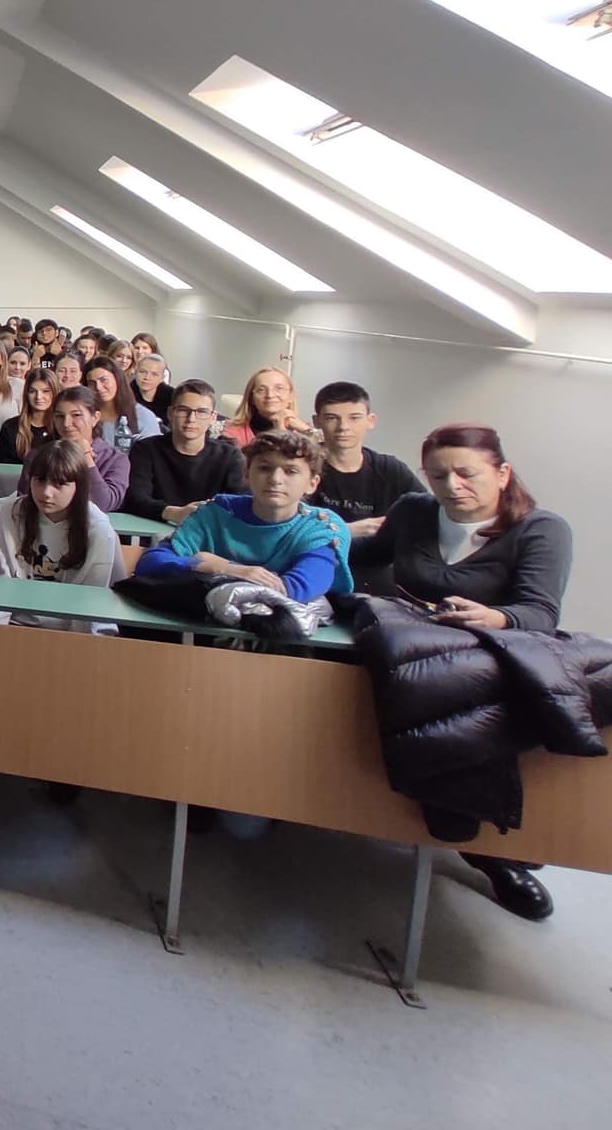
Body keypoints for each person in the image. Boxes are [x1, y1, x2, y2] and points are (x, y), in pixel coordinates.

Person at [356, 423, 574, 922]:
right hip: (417, 646)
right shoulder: (414, 510)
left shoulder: (542, 529)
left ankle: (491, 850)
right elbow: (367, 554)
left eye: (465, 473)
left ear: (502, 473)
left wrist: (498, 617)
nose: (451, 486)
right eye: (437, 475)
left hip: (493, 659)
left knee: (469, 713)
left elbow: (540, 614)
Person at [135, 430, 352, 616]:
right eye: (265, 468)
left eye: (290, 471)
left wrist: (211, 567)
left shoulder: (322, 527)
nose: (276, 479)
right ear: (247, 474)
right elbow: (151, 563)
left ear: (312, 483)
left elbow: (295, 588)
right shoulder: (216, 513)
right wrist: (217, 566)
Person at [0, 439, 119, 630]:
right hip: (19, 625)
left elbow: (91, 601)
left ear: (78, 486)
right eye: (39, 480)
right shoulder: (8, 514)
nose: (46, 492)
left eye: (59, 484)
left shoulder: (98, 528)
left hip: (73, 631)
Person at [305, 382, 423, 539]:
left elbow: (429, 512)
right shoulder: (302, 466)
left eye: (354, 418)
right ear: (316, 421)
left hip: (378, 561)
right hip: (315, 559)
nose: (343, 427)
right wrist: (345, 530)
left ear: (370, 421)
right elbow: (281, 527)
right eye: (332, 418)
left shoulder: (389, 469)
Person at [124, 378, 245, 525]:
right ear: (170, 413)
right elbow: (135, 498)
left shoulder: (230, 456)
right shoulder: (146, 449)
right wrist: (175, 513)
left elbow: (240, 501)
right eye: (183, 410)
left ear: (213, 418)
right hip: (153, 532)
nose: (191, 419)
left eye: (201, 412)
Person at [51, 385, 129, 511]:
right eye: (60, 416)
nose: (66, 424)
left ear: (95, 418)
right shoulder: (40, 454)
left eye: (76, 415)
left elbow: (104, 503)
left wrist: (86, 457)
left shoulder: (115, 459)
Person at [222, 367, 312, 448]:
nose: (270, 395)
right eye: (261, 390)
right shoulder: (232, 433)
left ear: (291, 396)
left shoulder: (303, 430)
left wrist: (309, 432)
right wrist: (280, 431)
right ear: (252, 398)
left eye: (279, 388)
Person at [83, 358, 162, 446]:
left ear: (117, 379)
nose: (98, 387)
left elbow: (152, 454)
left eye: (104, 380)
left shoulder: (142, 416)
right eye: (91, 383)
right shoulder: (84, 414)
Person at [0, 369, 58, 466]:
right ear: (26, 394)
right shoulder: (10, 427)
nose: (38, 397)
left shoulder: (61, 427)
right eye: (32, 391)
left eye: (46, 391)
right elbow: (2, 471)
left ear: (55, 393)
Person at [132, 354, 173, 420]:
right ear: (135, 372)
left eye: (154, 374)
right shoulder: (125, 393)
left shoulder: (172, 396)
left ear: (162, 378)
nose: (147, 377)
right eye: (142, 372)